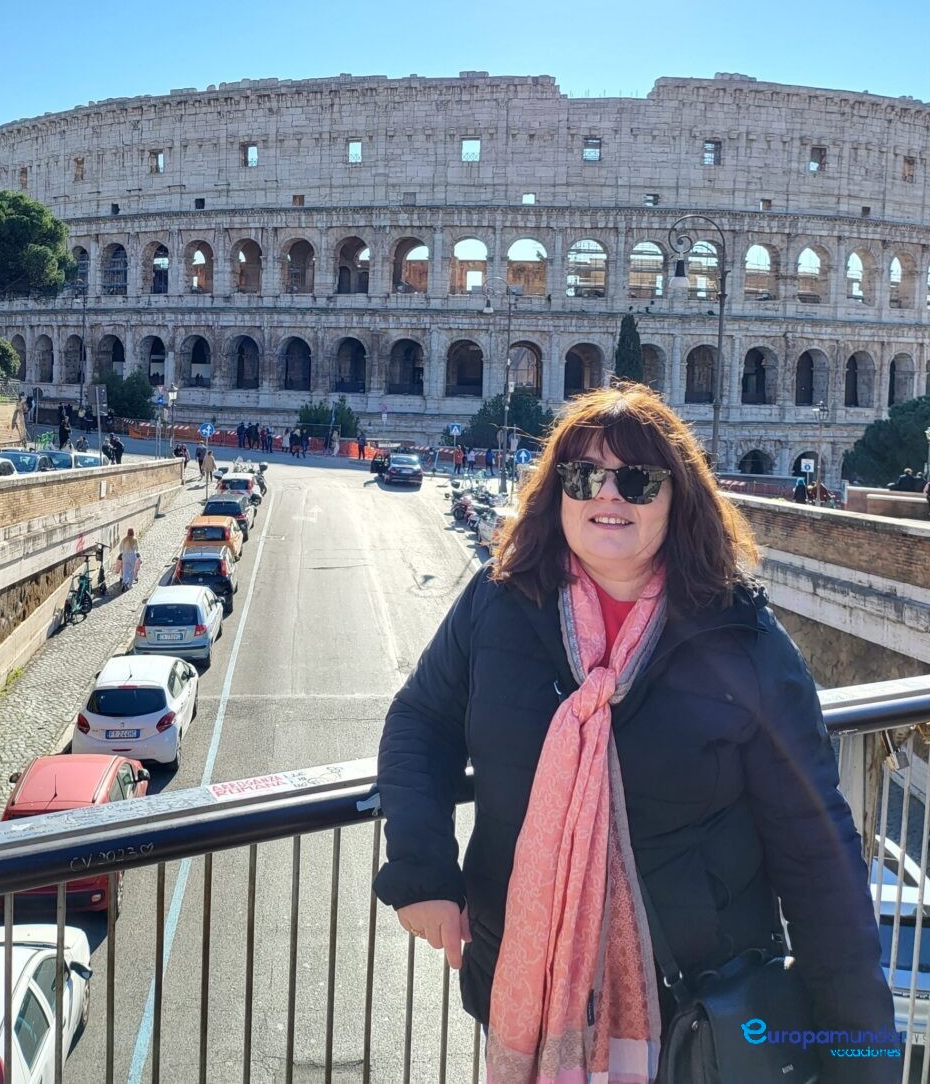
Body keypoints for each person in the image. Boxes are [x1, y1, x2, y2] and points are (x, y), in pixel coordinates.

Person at [373, 385, 896, 1081]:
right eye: (584, 475)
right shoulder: (498, 603)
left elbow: (818, 857)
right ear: (557, 491)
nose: (607, 496)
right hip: (526, 983)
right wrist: (421, 869)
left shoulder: (743, 641)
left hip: (694, 1014)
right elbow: (422, 721)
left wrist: (864, 1058)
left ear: (678, 499)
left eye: (639, 480)